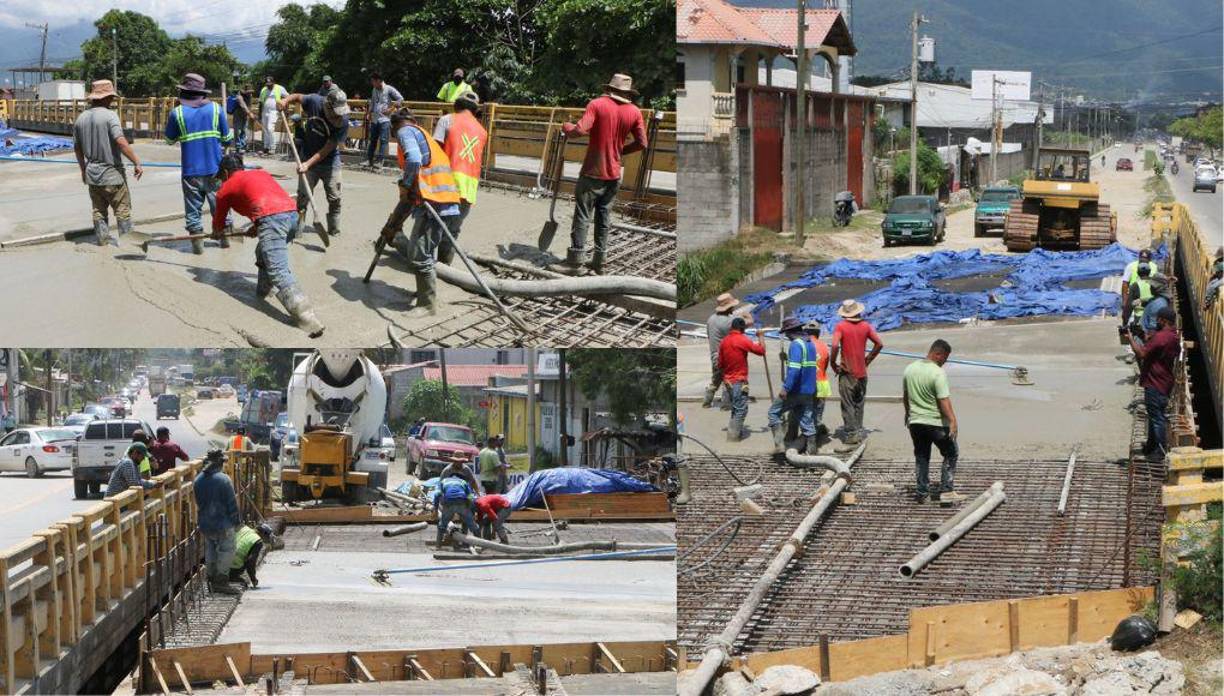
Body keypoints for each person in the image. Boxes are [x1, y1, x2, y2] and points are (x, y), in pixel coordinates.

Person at [213, 153, 326, 337]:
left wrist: (217, 232)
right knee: (262, 251)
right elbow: (266, 200)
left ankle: (309, 320)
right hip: (294, 217)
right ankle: (264, 291)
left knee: (278, 271)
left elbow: (218, 225)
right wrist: (257, 226)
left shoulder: (225, 188)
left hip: (272, 220)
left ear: (225, 173)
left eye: (221, 177)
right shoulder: (260, 173)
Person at [559, 74, 648, 275]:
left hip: (592, 172)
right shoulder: (634, 111)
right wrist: (620, 151)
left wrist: (566, 127)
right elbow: (642, 143)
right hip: (614, 175)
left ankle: (575, 262)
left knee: (582, 215)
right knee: (603, 217)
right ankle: (599, 262)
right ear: (627, 92)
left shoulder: (597, 104)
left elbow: (580, 130)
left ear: (610, 88)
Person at [379, 109, 462, 316]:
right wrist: (394, 224)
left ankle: (427, 305)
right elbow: (409, 198)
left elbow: (413, 160)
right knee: (422, 252)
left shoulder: (405, 131)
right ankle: (424, 294)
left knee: (419, 255)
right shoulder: (422, 135)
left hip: (435, 203)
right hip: (442, 202)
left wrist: (405, 184)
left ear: (393, 127)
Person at [164, 73, 233, 255]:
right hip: (215, 170)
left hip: (190, 172)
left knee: (193, 212)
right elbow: (227, 139)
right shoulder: (217, 110)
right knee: (220, 208)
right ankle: (225, 244)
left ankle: (198, 249)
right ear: (202, 92)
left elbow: (169, 140)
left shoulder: (176, 113)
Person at [73, 79, 144, 246]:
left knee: (99, 211)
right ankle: (128, 245)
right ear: (105, 98)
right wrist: (136, 162)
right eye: (111, 98)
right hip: (113, 176)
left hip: (92, 175)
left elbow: (77, 148)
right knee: (122, 211)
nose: (112, 101)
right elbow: (120, 141)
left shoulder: (80, 118)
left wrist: (83, 170)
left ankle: (102, 243)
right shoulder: (110, 116)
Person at [279, 83, 351, 239]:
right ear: (327, 106)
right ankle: (298, 229)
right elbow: (297, 96)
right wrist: (285, 101)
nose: (338, 117)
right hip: (307, 155)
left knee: (335, 197)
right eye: (335, 113)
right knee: (303, 197)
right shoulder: (315, 101)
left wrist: (307, 164)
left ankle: (333, 230)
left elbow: (329, 147)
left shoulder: (343, 121)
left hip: (330, 162)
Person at [432, 91, 487, 265]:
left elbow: (435, 150)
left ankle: (424, 267)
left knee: (432, 226)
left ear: (457, 105)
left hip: (447, 182)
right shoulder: (482, 131)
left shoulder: (447, 120)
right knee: (453, 230)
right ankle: (444, 267)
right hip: (469, 187)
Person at [903, 340, 959, 504]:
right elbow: (943, 400)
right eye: (945, 358)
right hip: (935, 423)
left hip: (916, 422)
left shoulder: (909, 369)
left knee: (921, 456)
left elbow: (906, 396)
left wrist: (908, 413)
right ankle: (947, 490)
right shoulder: (937, 373)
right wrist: (953, 420)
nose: (945, 362)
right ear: (938, 354)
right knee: (951, 453)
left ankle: (922, 493)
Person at [829, 299, 884, 451]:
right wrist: (867, 360)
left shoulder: (841, 326)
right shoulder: (865, 326)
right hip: (862, 372)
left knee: (847, 404)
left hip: (847, 372)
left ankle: (851, 435)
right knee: (859, 403)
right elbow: (879, 344)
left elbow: (834, 345)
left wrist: (833, 363)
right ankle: (859, 431)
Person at [1128, 307, 1178, 462]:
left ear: (1163, 320)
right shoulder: (1173, 336)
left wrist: (1130, 339)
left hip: (1155, 382)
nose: (1157, 321)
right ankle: (1151, 445)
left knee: (1157, 418)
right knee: (1154, 415)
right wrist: (1146, 337)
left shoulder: (1161, 337)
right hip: (1165, 381)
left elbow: (1142, 353)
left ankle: (1159, 451)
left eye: (1159, 319)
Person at [767, 316, 818, 454]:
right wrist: (787, 359)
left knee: (773, 413)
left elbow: (795, 370)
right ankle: (812, 450)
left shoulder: (796, 344)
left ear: (790, 332)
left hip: (796, 390)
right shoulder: (809, 343)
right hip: (809, 390)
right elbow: (806, 365)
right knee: (807, 420)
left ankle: (779, 446)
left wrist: (786, 388)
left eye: (787, 334)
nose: (787, 337)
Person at [194, 449, 242, 594]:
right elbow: (232, 504)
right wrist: (237, 521)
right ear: (220, 463)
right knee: (226, 550)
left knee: (210, 551)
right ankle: (221, 581)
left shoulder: (198, 480)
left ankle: (210, 578)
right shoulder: (224, 480)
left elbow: (199, 502)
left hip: (206, 524)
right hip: (223, 523)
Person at [718, 316, 765, 441]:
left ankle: (733, 434)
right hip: (738, 381)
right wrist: (760, 336)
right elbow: (761, 351)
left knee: (736, 408)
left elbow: (720, 364)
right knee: (741, 410)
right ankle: (732, 438)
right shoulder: (743, 340)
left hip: (727, 382)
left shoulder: (724, 341)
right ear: (743, 329)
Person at [704, 293, 751, 409]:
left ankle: (706, 402)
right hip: (726, 357)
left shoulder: (711, 319)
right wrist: (747, 315)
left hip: (714, 355)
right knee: (728, 380)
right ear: (730, 307)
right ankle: (726, 406)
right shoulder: (730, 321)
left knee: (715, 380)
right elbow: (748, 323)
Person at [364, 73, 403, 169]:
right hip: (375, 118)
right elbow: (373, 102)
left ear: (378, 81)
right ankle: (369, 160)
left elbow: (400, 98)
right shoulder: (374, 89)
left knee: (383, 140)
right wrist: (369, 113)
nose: (372, 83)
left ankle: (380, 161)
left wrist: (391, 109)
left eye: (373, 81)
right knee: (372, 140)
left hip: (385, 119)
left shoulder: (389, 89)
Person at [804, 320, 832, 448]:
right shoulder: (824, 346)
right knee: (818, 413)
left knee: (806, 412)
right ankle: (814, 440)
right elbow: (825, 366)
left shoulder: (803, 345)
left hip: (807, 384)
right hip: (822, 382)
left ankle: (810, 440)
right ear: (818, 332)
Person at [434, 474, 478, 550]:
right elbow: (471, 497)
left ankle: (438, 546)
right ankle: (479, 545)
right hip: (461, 502)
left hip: (449, 503)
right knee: (472, 525)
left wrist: (435, 510)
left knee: (442, 526)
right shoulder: (463, 482)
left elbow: (437, 494)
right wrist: (471, 511)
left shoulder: (443, 481)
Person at [228, 523, 274, 588]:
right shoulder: (258, 541)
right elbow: (251, 562)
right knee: (245, 561)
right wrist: (253, 579)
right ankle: (232, 577)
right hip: (232, 565)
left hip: (221, 559)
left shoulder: (245, 529)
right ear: (263, 534)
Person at [1120, 249, 1158, 322]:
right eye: (1142, 259)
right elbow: (1125, 284)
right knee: (1129, 317)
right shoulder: (1131, 266)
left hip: (1148, 296)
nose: (1143, 261)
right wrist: (1124, 301)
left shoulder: (1154, 267)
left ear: (1150, 259)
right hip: (1133, 294)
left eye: (1145, 259)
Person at [257, 76, 288, 153]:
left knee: (270, 128)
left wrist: (286, 109)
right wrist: (259, 114)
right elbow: (260, 102)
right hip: (265, 111)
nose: (268, 85)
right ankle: (266, 147)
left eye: (270, 84)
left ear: (273, 82)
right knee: (265, 129)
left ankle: (273, 147)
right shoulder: (263, 90)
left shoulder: (279, 88)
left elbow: (288, 98)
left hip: (274, 111)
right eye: (267, 84)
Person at [1124, 263, 1156, 329]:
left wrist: (1125, 320)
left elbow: (1129, 306)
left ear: (1138, 272)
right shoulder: (1155, 283)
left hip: (1140, 316)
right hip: (1154, 315)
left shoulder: (1135, 285)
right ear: (1149, 272)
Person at [226, 86, 253, 152]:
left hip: (245, 114)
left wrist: (249, 113)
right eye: (249, 92)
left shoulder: (249, 97)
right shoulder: (239, 97)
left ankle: (242, 144)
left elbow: (248, 106)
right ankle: (238, 145)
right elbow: (243, 106)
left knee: (244, 129)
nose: (250, 94)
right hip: (238, 113)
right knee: (237, 129)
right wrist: (250, 113)